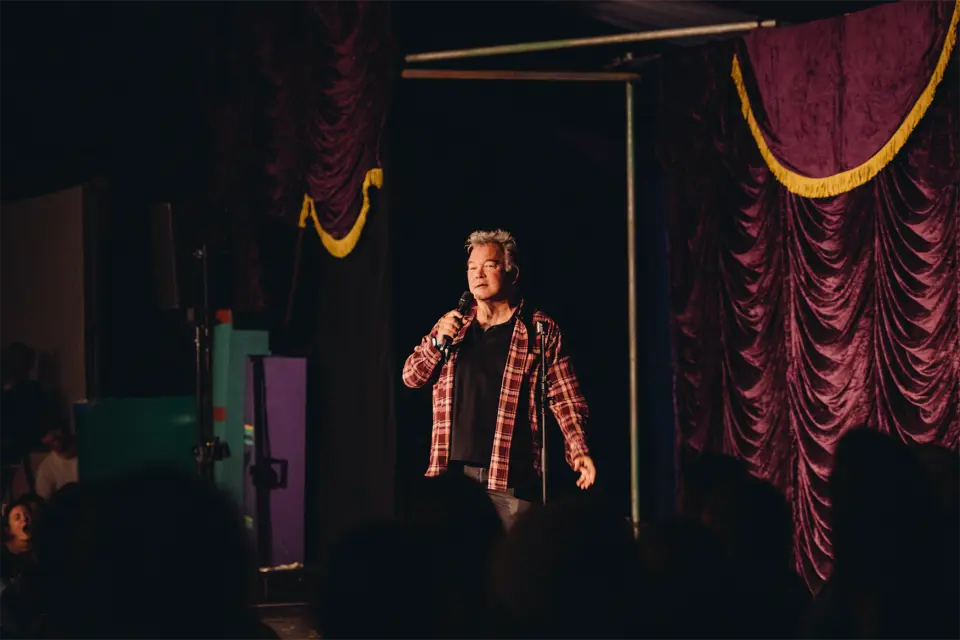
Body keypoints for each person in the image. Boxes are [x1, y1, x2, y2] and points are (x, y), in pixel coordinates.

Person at [402, 229, 596, 528]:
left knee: (507, 568)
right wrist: (437, 343)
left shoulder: (538, 329)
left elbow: (566, 399)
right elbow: (411, 377)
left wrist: (578, 451)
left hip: (507, 478)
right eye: (471, 268)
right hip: (451, 477)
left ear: (511, 272)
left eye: (488, 265)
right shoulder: (454, 325)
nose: (477, 274)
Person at [34, 426, 78, 500]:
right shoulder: (46, 469)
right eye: (45, 433)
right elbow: (43, 504)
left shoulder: (92, 447)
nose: (51, 436)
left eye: (54, 428)